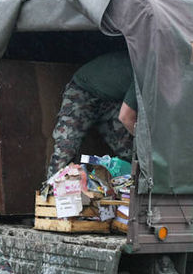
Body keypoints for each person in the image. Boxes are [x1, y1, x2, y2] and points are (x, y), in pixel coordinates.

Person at [46, 50, 138, 179]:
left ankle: (131, 190)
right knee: (66, 148)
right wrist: (147, 143)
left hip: (111, 101)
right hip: (82, 91)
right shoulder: (144, 72)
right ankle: (51, 191)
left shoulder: (152, 72)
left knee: (130, 151)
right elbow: (126, 117)